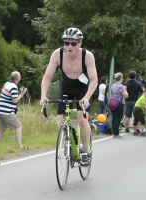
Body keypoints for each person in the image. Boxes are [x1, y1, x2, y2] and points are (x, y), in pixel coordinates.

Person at [40, 27, 98, 166]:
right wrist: (43, 96)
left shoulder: (87, 56)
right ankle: (67, 142)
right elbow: (47, 77)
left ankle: (85, 150)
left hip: (82, 90)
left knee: (82, 120)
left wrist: (86, 98)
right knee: (61, 122)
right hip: (66, 87)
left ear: (80, 43)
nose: (69, 46)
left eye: (73, 43)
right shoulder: (57, 54)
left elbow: (94, 80)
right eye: (66, 43)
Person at [0, 71, 29, 149]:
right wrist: (21, 94)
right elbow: (15, 100)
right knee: (18, 126)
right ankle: (20, 146)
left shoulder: (7, 83)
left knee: (1, 129)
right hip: (6, 111)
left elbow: (10, 95)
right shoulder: (13, 87)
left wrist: (19, 92)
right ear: (18, 78)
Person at [110, 72, 128, 138]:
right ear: (121, 78)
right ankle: (116, 133)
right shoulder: (121, 86)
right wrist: (125, 90)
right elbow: (126, 96)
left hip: (113, 102)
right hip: (119, 103)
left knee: (114, 118)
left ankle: (114, 132)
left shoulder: (113, 85)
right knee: (118, 118)